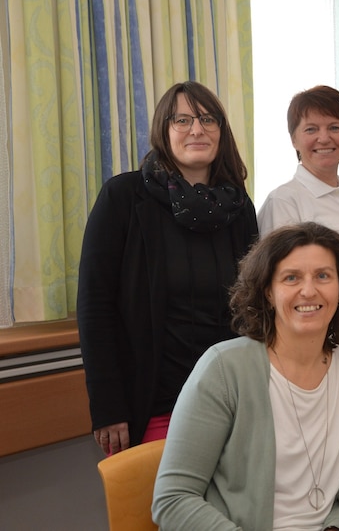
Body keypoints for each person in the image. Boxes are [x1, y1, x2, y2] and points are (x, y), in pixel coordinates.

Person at [152, 222, 339, 530]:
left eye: (323, 276)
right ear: (268, 293)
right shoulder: (224, 368)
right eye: (291, 278)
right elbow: (173, 499)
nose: (309, 290)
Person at [77, 81, 259, 456]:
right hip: (151, 405)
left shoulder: (239, 207)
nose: (197, 129)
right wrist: (108, 405)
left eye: (208, 119)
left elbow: (251, 308)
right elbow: (95, 306)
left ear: (222, 132)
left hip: (226, 401)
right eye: (183, 119)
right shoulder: (124, 198)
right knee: (160, 514)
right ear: (164, 129)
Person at [258, 85, 339, 374]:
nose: (324, 137)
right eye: (311, 129)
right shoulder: (284, 202)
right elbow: (281, 294)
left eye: (335, 127)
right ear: (293, 138)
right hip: (311, 360)